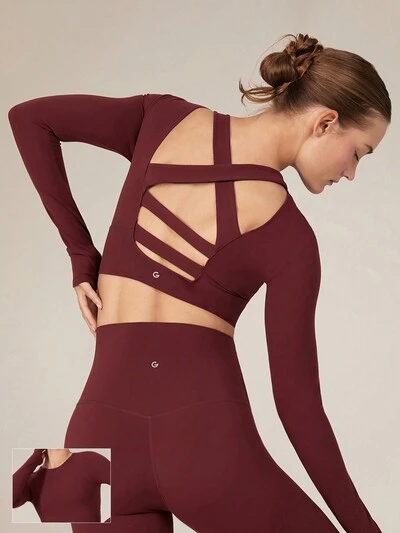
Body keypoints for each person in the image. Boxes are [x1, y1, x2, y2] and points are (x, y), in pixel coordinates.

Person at [8, 32, 389, 532]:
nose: (352, 173)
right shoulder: (291, 239)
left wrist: (83, 258)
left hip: (99, 439)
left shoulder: (161, 119)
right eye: (359, 152)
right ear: (325, 122)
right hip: (204, 447)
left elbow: (30, 118)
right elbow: (299, 409)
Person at [12, 448, 110, 522]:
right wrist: (34, 459)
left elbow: (121, 484)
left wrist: (107, 528)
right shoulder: (33, 480)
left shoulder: (89, 461)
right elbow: (10, 500)